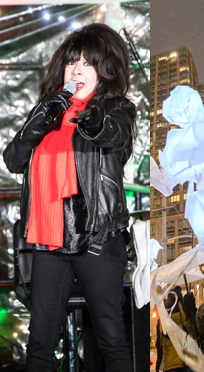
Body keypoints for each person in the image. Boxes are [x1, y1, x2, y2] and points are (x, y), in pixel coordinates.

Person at [3, 24, 136, 372]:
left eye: (87, 63)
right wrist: (40, 120)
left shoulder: (117, 109)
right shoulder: (47, 111)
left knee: (112, 340)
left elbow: (116, 138)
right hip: (50, 242)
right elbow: (14, 158)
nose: (76, 70)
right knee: (41, 343)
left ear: (105, 71)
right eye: (71, 62)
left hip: (97, 240)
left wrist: (93, 123)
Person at [156, 287, 193, 372]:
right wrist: (181, 329)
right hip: (173, 361)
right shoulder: (166, 309)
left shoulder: (183, 307)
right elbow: (165, 332)